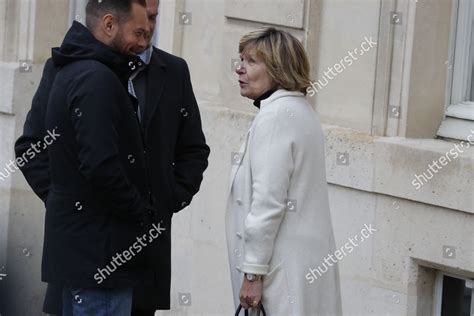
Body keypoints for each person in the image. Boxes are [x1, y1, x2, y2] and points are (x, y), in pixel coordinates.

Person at [15, 0, 210, 314]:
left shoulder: (173, 71)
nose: (146, 35)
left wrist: (165, 201)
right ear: (111, 23)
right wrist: (67, 202)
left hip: (142, 259)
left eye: (153, 19)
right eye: (140, 24)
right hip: (95, 254)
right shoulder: (79, 70)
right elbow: (33, 148)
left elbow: (193, 150)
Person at [226, 27, 342, 315]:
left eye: (252, 62)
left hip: (280, 271)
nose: (240, 69)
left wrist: (252, 273)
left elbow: (268, 200)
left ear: (278, 68)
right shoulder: (299, 111)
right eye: (241, 60)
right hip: (297, 265)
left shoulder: (276, 116)